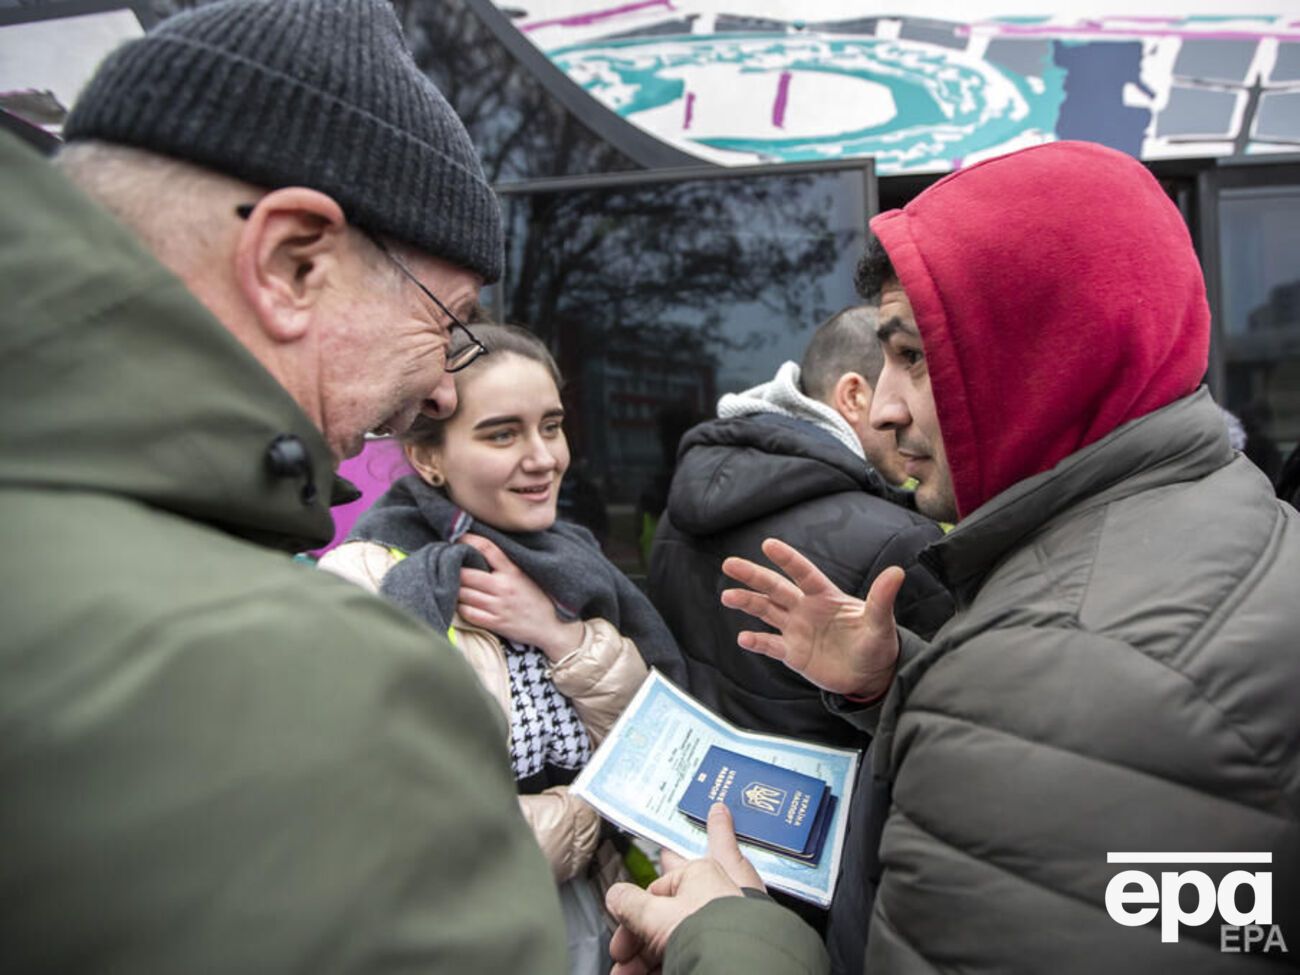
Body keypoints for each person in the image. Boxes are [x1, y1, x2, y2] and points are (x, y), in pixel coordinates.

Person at [604, 141, 1300, 973]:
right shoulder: (1238, 511)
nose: (885, 410)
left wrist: (724, 929)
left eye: (912, 356)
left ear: (1045, 354)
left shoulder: (1044, 681)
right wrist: (898, 678)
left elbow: (1066, 718)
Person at [1, 1, 571, 970]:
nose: (442, 384)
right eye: (449, 316)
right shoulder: (318, 680)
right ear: (291, 260)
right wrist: (736, 943)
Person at [319, 325, 684, 972]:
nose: (543, 456)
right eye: (502, 433)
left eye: (552, 424)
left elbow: (657, 742)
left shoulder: (575, 565)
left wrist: (559, 635)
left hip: (601, 919)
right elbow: (393, 824)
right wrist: (591, 810)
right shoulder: (367, 580)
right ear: (429, 458)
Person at [649, 304, 951, 751]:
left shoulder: (684, 498)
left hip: (692, 786)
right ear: (853, 396)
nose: (906, 417)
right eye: (902, 381)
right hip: (831, 811)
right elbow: (945, 730)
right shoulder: (901, 542)